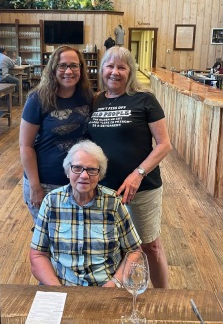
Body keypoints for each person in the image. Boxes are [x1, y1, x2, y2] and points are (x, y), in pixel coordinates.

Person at [88, 46, 172, 288]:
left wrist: (138, 173)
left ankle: (163, 297)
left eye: (121, 67)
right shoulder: (95, 101)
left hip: (142, 187)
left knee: (150, 245)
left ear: (130, 72)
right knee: (113, 245)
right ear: (102, 70)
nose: (115, 72)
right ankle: (118, 296)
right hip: (104, 189)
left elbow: (164, 144)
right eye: (110, 66)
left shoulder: (145, 99)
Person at [29, 140, 142, 286]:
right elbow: (38, 255)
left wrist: (114, 284)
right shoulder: (51, 202)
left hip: (105, 288)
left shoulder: (114, 203)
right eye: (77, 168)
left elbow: (134, 251)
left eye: (91, 170)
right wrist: (58, 289)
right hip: (61, 285)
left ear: (99, 174)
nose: (84, 175)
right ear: (68, 171)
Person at [20, 45, 93, 222]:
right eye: (63, 65)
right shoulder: (38, 98)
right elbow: (25, 146)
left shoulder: (87, 96)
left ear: (81, 69)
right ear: (53, 68)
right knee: (48, 240)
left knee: (72, 238)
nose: (68, 71)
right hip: (45, 182)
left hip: (77, 181)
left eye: (74, 66)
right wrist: (35, 186)